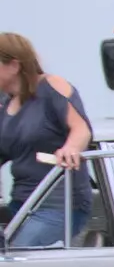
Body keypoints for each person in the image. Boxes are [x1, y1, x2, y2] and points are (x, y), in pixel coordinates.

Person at [0, 32, 93, 246]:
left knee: (18, 259)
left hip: (59, 205)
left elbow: (81, 129)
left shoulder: (52, 86)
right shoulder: (6, 102)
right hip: (22, 202)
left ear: (14, 65)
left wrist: (70, 148)